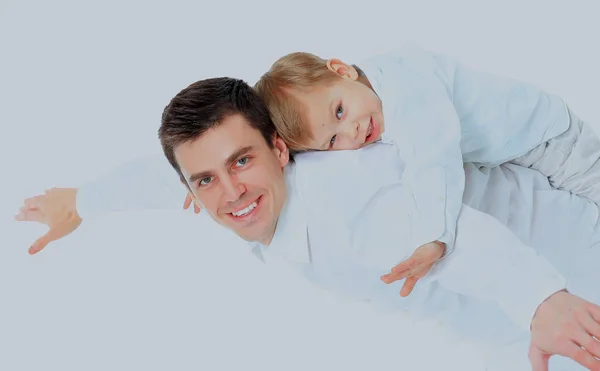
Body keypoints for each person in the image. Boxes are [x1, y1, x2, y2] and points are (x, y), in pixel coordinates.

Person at [15, 77, 600, 370]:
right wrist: (82, 201)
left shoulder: (338, 210)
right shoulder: (236, 177)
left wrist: (540, 301)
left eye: (242, 162)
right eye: (205, 180)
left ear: (280, 147)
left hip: (572, 281)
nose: (230, 192)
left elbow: (461, 243)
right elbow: (160, 174)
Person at [253, 45, 600, 296]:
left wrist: (434, 236)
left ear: (342, 70)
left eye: (341, 112)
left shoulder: (406, 86)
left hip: (547, 135)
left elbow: (433, 159)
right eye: (332, 141)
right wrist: (210, 181)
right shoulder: (363, 101)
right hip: (507, 153)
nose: (352, 133)